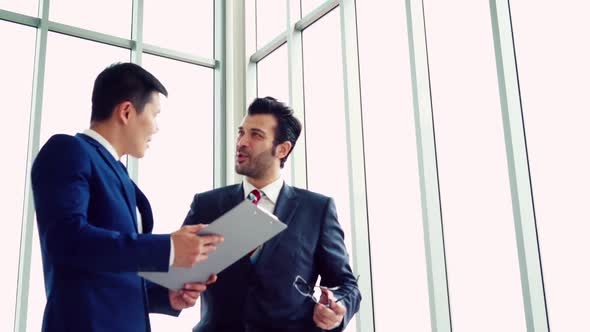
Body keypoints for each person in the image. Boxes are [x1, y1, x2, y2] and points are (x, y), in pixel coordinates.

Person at [31, 62, 223, 332]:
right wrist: (168, 249)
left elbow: (112, 271)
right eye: (154, 115)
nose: (156, 128)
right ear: (126, 111)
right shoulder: (68, 150)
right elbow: (67, 240)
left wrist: (165, 294)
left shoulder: (118, 173)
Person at [183, 97, 361, 331]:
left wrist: (338, 307)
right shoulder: (206, 204)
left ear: (283, 149)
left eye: (256, 135)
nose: (242, 142)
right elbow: (177, 272)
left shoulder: (317, 210)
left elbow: (345, 284)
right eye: (241, 132)